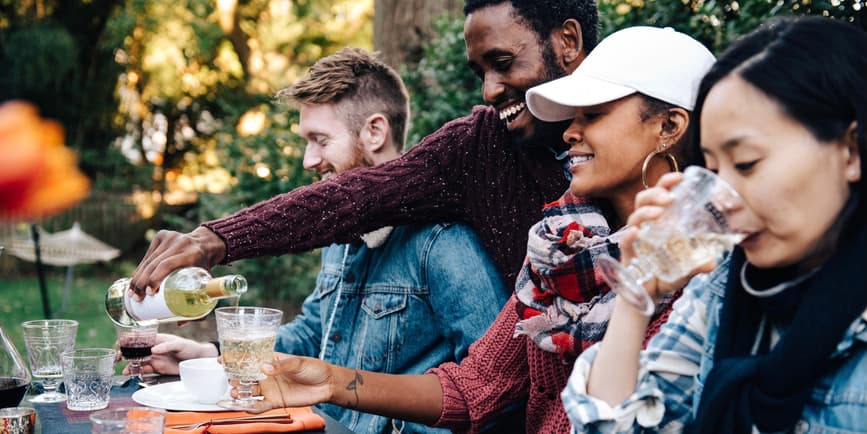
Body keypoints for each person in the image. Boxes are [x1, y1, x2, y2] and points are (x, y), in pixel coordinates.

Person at [253, 27, 716, 434]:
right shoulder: (558, 245)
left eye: (591, 115)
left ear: (668, 125)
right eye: (571, 118)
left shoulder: (711, 266)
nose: (569, 133)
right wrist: (331, 381)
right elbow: (475, 389)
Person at [132, 47, 508, 434]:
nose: (309, 161)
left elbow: (496, 392)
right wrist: (210, 357)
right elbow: (315, 335)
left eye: (321, 140)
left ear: (375, 131)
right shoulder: (340, 236)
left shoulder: (444, 242)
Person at [128, 0, 600, 299]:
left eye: (502, 63)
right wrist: (215, 239)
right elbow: (352, 197)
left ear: (568, 41)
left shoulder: (654, 129)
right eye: (480, 73)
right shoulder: (477, 148)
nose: (490, 91)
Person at [563, 16, 867, 434]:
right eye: (713, 169)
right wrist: (636, 298)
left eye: (746, 163)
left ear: (851, 152)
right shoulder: (727, 287)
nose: (724, 199)